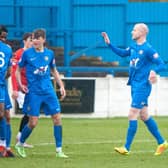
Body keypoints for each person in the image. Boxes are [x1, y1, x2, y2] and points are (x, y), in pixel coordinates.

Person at [102, 23, 168, 156]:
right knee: (144, 115)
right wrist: (109, 44)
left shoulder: (148, 49)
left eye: (134, 30)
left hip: (143, 86)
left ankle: (126, 147)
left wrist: (154, 71)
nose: (132, 32)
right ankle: (162, 143)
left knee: (132, 114)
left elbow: (162, 64)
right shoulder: (133, 47)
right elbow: (122, 53)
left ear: (142, 33)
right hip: (134, 85)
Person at [15, 28, 68, 158]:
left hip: (48, 91)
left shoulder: (50, 54)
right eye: (33, 38)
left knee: (57, 119)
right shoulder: (27, 54)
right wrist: (20, 85)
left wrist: (61, 86)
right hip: (34, 92)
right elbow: (17, 70)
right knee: (33, 122)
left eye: (37, 39)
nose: (34, 41)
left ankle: (59, 150)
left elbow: (54, 71)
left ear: (43, 39)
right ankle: (20, 143)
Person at [11, 32, 33, 148]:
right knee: (30, 113)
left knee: (30, 114)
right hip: (21, 88)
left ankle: (21, 138)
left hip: (30, 89)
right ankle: (20, 138)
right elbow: (14, 72)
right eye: (30, 40)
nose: (32, 42)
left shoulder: (32, 54)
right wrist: (15, 89)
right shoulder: (19, 53)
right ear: (24, 41)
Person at [0, 25, 13, 157]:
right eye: (1, 36)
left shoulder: (8, 49)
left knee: (6, 115)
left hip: (2, 86)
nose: (4, 39)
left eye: (5, 37)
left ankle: (6, 147)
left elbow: (9, 71)